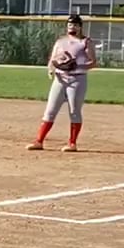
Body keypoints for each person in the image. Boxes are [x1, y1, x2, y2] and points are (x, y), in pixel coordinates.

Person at [30, 16, 97, 152]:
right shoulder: (61, 41)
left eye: (75, 25)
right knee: (50, 111)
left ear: (80, 27)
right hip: (60, 79)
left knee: (74, 111)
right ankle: (38, 141)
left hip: (77, 80)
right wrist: (50, 69)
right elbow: (53, 59)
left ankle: (72, 144)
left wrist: (77, 66)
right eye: (70, 25)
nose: (72, 27)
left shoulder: (85, 42)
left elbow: (93, 62)